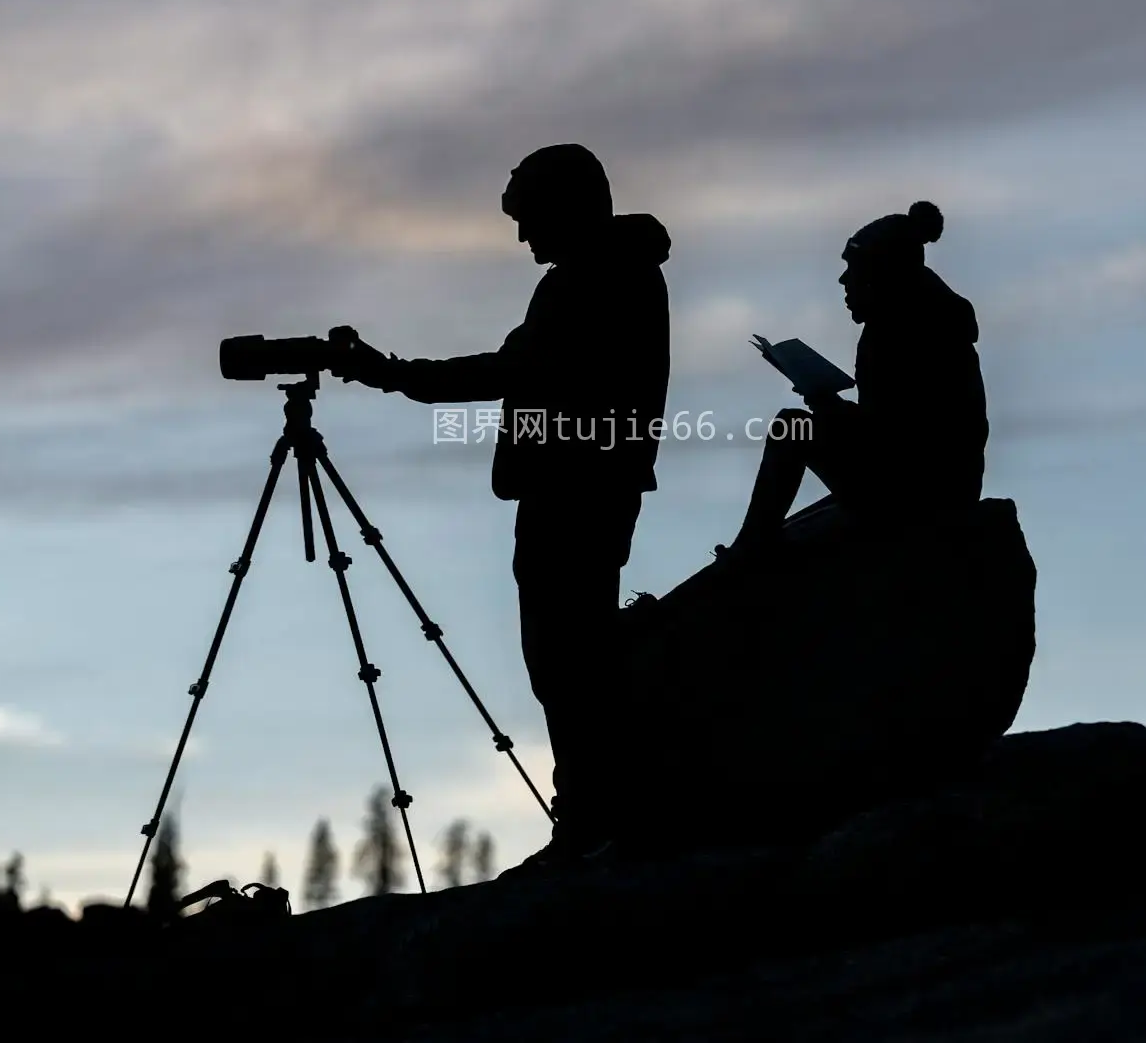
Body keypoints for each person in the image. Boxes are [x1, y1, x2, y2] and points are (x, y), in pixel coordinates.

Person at [329, 144, 671, 871]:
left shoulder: (597, 279)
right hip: (581, 489)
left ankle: (593, 820)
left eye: (530, 218)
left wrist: (391, 375)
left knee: (568, 659)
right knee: (568, 659)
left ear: (568, 207)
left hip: (577, 493)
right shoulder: (599, 275)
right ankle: (593, 814)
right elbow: (522, 366)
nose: (523, 238)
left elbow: (509, 369)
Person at [726, 200, 985, 552]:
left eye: (855, 269)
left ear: (882, 274)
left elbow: (896, 437)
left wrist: (829, 406)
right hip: (931, 487)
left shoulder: (907, 331)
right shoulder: (914, 319)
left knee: (791, 427)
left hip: (920, 496)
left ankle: (749, 550)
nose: (843, 280)